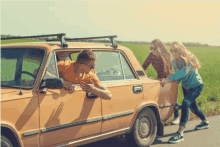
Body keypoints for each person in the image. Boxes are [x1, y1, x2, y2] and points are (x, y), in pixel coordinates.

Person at [162, 41, 209, 144]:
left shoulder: (189, 58)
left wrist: (169, 78)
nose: (173, 52)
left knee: (186, 103)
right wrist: (170, 85)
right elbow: (178, 77)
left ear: (180, 49)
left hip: (196, 86)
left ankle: (180, 133)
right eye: (171, 50)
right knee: (194, 108)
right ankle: (205, 122)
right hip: (186, 87)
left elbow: (183, 72)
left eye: (175, 50)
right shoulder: (174, 61)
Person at [142, 39, 179, 124]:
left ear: (159, 48)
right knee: (159, 97)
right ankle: (159, 117)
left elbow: (166, 71)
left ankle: (176, 116)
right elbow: (144, 66)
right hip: (160, 77)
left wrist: (158, 79)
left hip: (169, 78)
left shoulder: (166, 55)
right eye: (151, 48)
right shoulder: (151, 55)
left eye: (154, 48)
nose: (152, 50)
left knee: (170, 98)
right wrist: (139, 76)